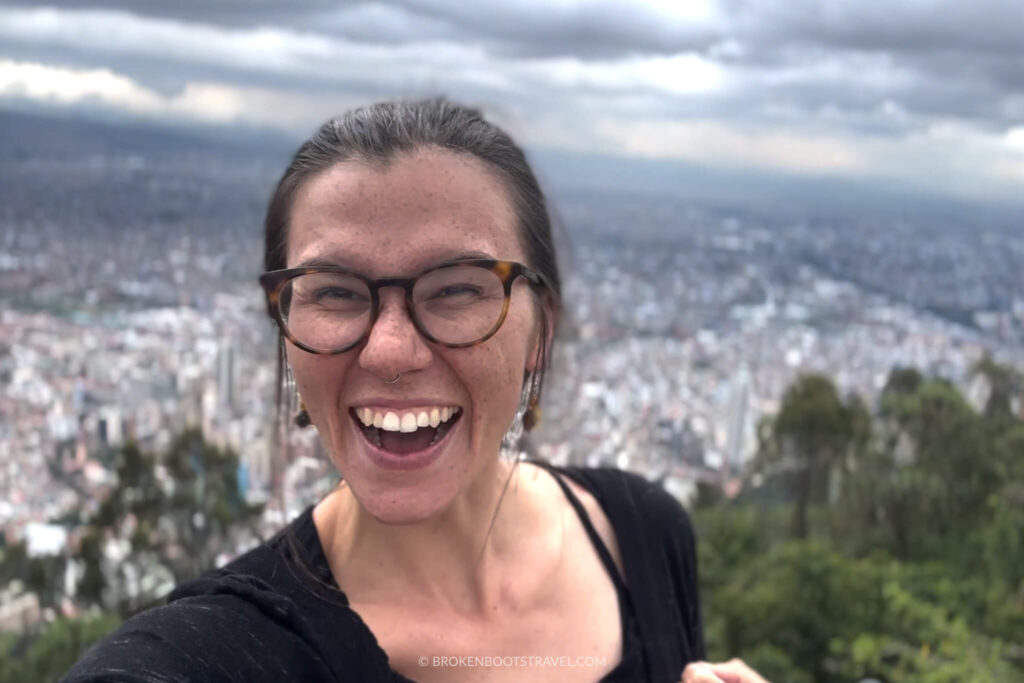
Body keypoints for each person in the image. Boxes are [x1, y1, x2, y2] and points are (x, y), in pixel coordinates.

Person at [64, 99, 767, 682]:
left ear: (540, 332)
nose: (391, 350)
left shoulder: (644, 534)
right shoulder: (223, 652)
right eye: (335, 292)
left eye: (458, 288)